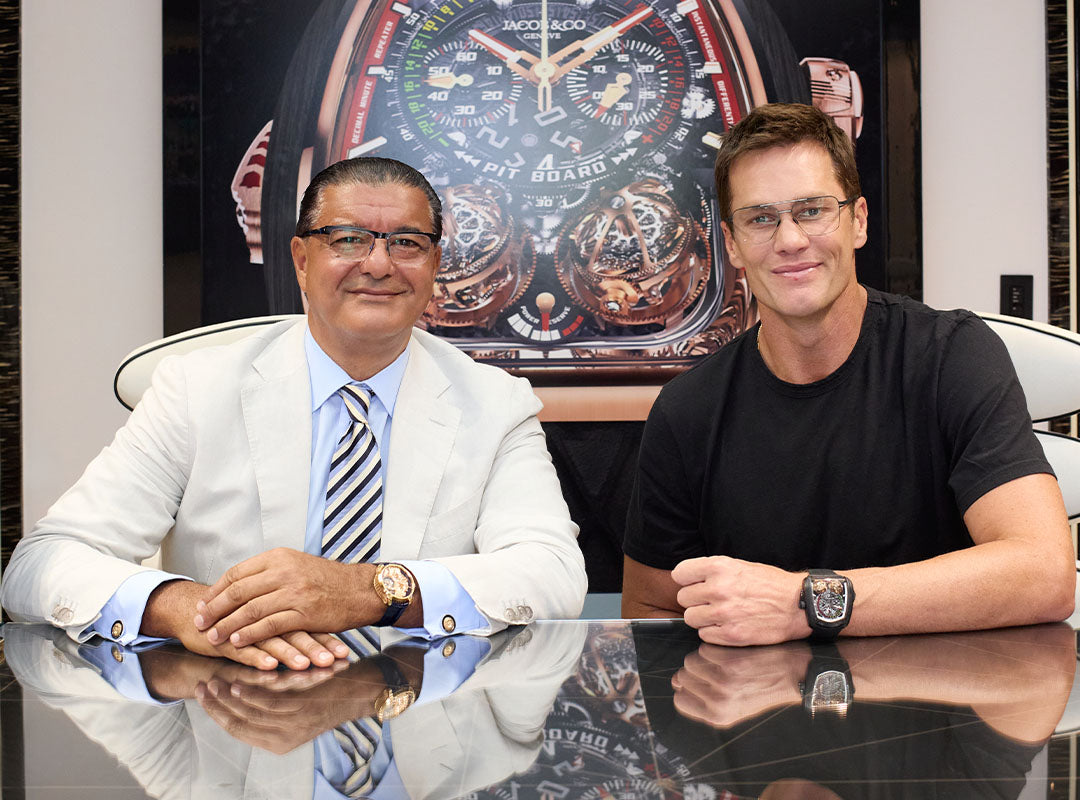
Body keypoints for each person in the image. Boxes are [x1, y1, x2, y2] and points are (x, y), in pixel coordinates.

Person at [2, 157, 587, 669]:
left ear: (434, 265)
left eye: (406, 242)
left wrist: (370, 590)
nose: (379, 265)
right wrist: (193, 612)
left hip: (427, 728)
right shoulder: (196, 387)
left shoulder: (496, 402)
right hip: (236, 719)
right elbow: (42, 563)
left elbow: (552, 571)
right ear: (302, 259)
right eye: (348, 239)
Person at [622, 103, 1074, 644]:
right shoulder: (687, 411)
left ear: (857, 221)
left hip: (941, 708)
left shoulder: (951, 356)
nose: (789, 240)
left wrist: (805, 601)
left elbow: (1044, 574)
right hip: (762, 719)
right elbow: (650, 611)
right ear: (732, 245)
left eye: (812, 210)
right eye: (761, 218)